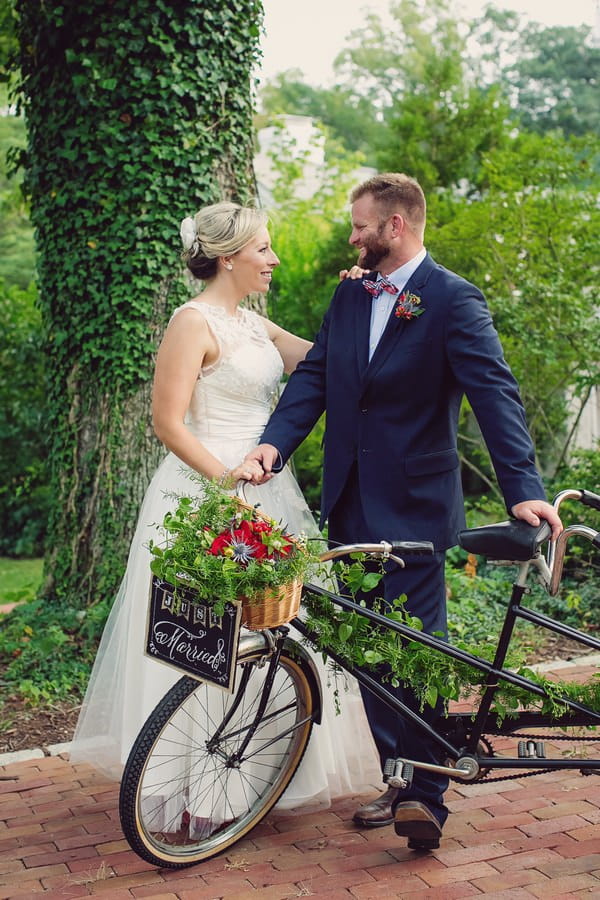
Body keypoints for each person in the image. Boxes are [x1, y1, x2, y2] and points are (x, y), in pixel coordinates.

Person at [245, 173, 563, 850]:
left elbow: (495, 393)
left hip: (417, 505)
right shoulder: (349, 294)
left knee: (418, 642)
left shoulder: (452, 300)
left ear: (396, 227)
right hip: (349, 498)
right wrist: (272, 445)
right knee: (366, 648)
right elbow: (315, 380)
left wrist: (523, 486)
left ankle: (426, 795)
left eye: (360, 226)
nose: (351, 236)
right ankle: (400, 770)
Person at [70, 201, 381, 808]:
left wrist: (359, 299)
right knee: (205, 632)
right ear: (229, 255)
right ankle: (191, 784)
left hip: (267, 488)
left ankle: (256, 777)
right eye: (264, 248)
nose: (274, 259)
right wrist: (227, 483)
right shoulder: (192, 322)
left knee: (274, 628)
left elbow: (328, 361)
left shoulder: (255, 324)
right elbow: (166, 421)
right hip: (205, 490)